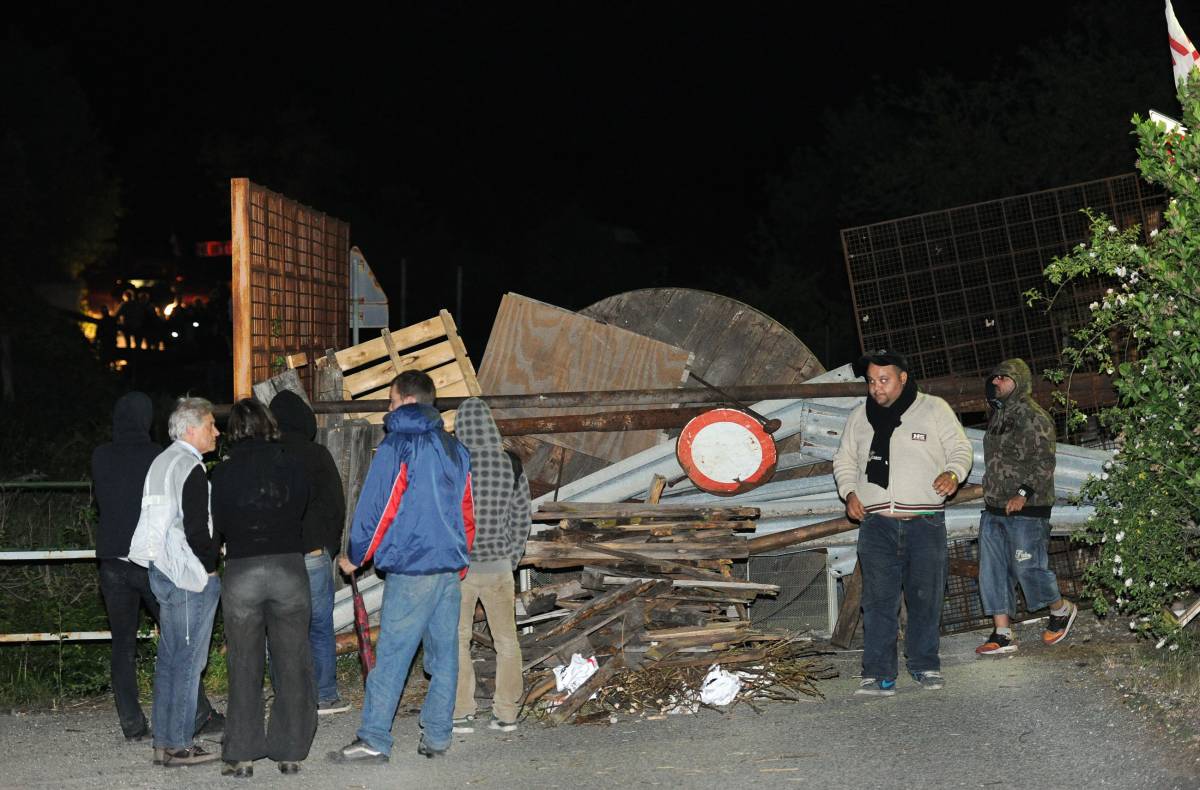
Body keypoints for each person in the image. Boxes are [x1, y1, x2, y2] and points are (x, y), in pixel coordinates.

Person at [330, 370, 475, 764]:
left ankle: (375, 737)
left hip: (413, 568)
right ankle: (438, 736)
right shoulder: (455, 448)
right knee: (444, 657)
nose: (387, 409)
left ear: (407, 401)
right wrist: (460, 560)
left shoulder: (399, 445)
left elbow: (380, 506)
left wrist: (357, 555)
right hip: (447, 569)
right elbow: (467, 511)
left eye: (390, 400)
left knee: (392, 655)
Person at [832, 350, 973, 696]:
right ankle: (879, 673)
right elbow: (845, 460)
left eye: (884, 380)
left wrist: (953, 474)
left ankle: (925, 664)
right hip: (876, 523)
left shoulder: (933, 408)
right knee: (878, 601)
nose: (876, 388)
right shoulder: (859, 417)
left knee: (926, 597)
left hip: (925, 522)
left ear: (903, 378)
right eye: (871, 381)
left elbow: (961, 449)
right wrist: (849, 492)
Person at [92, 392, 222, 744]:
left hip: (110, 561)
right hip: (148, 559)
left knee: (123, 645)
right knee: (179, 641)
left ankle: (132, 724)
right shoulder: (158, 456)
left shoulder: (100, 456)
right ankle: (197, 715)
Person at [211, 399, 316, 777]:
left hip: (242, 569)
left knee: (244, 663)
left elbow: (218, 522)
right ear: (269, 425)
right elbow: (303, 506)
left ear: (235, 430)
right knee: (292, 661)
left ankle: (241, 754)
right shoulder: (293, 464)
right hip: (288, 565)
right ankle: (289, 752)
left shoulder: (222, 474)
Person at [127, 396, 222, 767]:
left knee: (169, 659)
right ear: (191, 429)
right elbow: (198, 528)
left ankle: (164, 741)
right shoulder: (190, 467)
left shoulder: (161, 461)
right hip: (187, 575)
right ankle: (180, 744)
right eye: (211, 425)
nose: (217, 431)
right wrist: (209, 567)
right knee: (187, 661)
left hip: (161, 569)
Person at [975, 359, 1077, 655]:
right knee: (992, 570)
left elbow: (1045, 461)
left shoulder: (1034, 416)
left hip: (1027, 509)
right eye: (994, 378)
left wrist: (1022, 494)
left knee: (1027, 567)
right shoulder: (999, 415)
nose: (996, 383)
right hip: (994, 508)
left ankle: (1060, 610)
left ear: (1018, 381)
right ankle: (1003, 633)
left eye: (1003, 378)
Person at [451, 397, 531, 734]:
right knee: (506, 642)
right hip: (498, 567)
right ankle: (506, 713)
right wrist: (511, 558)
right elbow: (522, 517)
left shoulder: (454, 466)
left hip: (461, 569)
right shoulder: (510, 464)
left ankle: (460, 711)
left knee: (457, 640)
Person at [269, 390, 349, 714]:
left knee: (278, 625)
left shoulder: (268, 456)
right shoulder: (318, 455)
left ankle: (286, 695)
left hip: (278, 555)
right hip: (314, 552)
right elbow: (336, 505)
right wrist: (329, 545)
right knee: (318, 625)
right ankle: (325, 694)